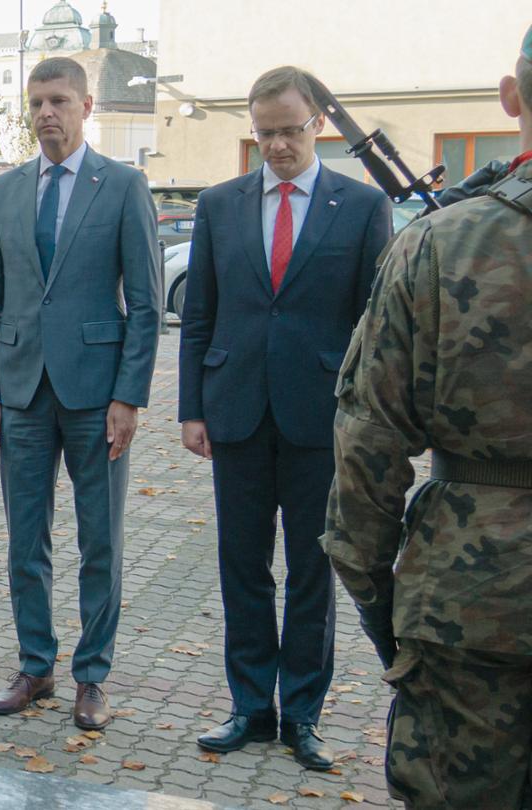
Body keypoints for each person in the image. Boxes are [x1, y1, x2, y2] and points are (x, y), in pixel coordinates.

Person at [326, 27, 532, 808]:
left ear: (510, 97)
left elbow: (367, 449)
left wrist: (387, 610)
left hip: (470, 611)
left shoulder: (442, 245)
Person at [177, 66, 392, 771]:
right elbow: (199, 314)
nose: (275, 146)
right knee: (243, 566)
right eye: (264, 132)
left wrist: (366, 420)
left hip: (320, 419)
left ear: (319, 125)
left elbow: (375, 324)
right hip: (235, 410)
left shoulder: (360, 208)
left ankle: (301, 713)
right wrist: (191, 410)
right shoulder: (220, 205)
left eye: (289, 131)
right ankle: (249, 706)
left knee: (310, 572)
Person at [0, 57, 161, 730]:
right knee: (26, 540)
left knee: (99, 542)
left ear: (85, 107)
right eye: (37, 102)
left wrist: (128, 396)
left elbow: (145, 303)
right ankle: (35, 666)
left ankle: (92, 676)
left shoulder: (123, 186)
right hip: (21, 392)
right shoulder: (7, 191)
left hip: (95, 394)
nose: (46, 112)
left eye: (59, 101)